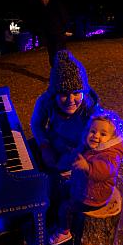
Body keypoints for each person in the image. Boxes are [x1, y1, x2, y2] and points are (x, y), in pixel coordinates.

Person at [30, 49, 101, 224]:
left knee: (64, 186)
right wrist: (45, 145)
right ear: (55, 93)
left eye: (76, 93)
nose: (71, 100)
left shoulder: (90, 107)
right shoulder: (45, 101)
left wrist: (77, 155)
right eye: (64, 94)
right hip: (54, 144)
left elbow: (98, 137)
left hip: (78, 150)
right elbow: (37, 124)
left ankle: (61, 215)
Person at [49, 110, 123, 245]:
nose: (96, 136)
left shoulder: (111, 154)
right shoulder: (90, 146)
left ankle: (64, 232)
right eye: (93, 131)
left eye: (103, 134)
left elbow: (105, 170)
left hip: (93, 197)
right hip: (83, 186)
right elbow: (78, 156)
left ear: (112, 138)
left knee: (65, 208)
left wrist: (88, 167)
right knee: (61, 189)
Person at [37, 0, 73, 67]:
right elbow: (41, 22)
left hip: (59, 34)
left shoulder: (56, 4)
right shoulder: (41, 7)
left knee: (61, 54)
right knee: (52, 55)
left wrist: (66, 30)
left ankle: (64, 73)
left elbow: (64, 17)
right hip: (49, 36)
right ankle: (56, 74)